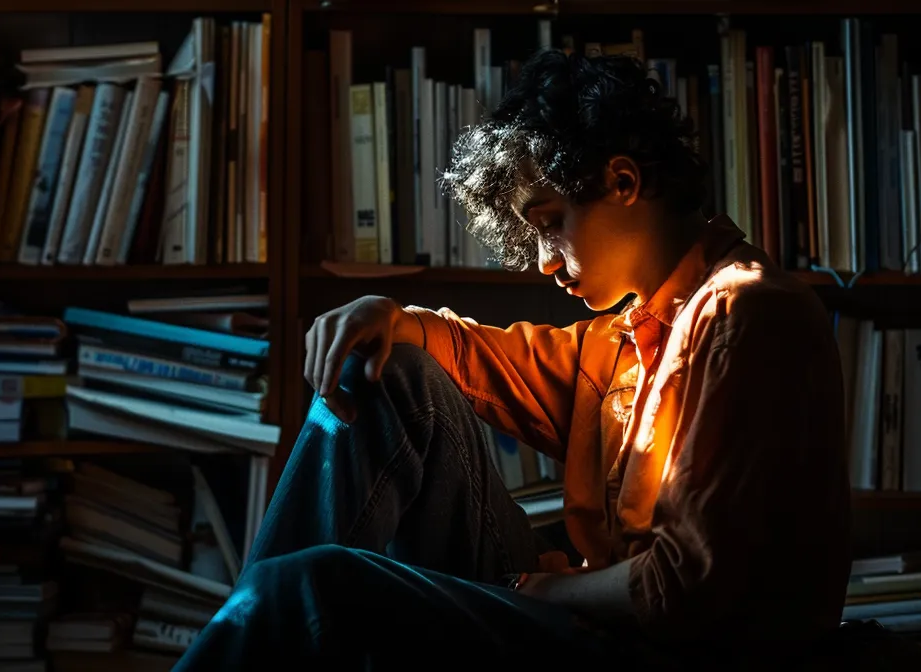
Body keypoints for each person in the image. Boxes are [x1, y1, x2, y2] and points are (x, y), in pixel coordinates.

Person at [176, 50, 858, 670]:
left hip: (672, 653)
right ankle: (264, 624)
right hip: (602, 622)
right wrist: (388, 316)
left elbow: (686, 589)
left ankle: (261, 623)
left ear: (622, 181)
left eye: (552, 221)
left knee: (303, 586)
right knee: (394, 368)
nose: (544, 261)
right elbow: (485, 360)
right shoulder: (626, 335)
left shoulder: (747, 314)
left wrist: (550, 590)